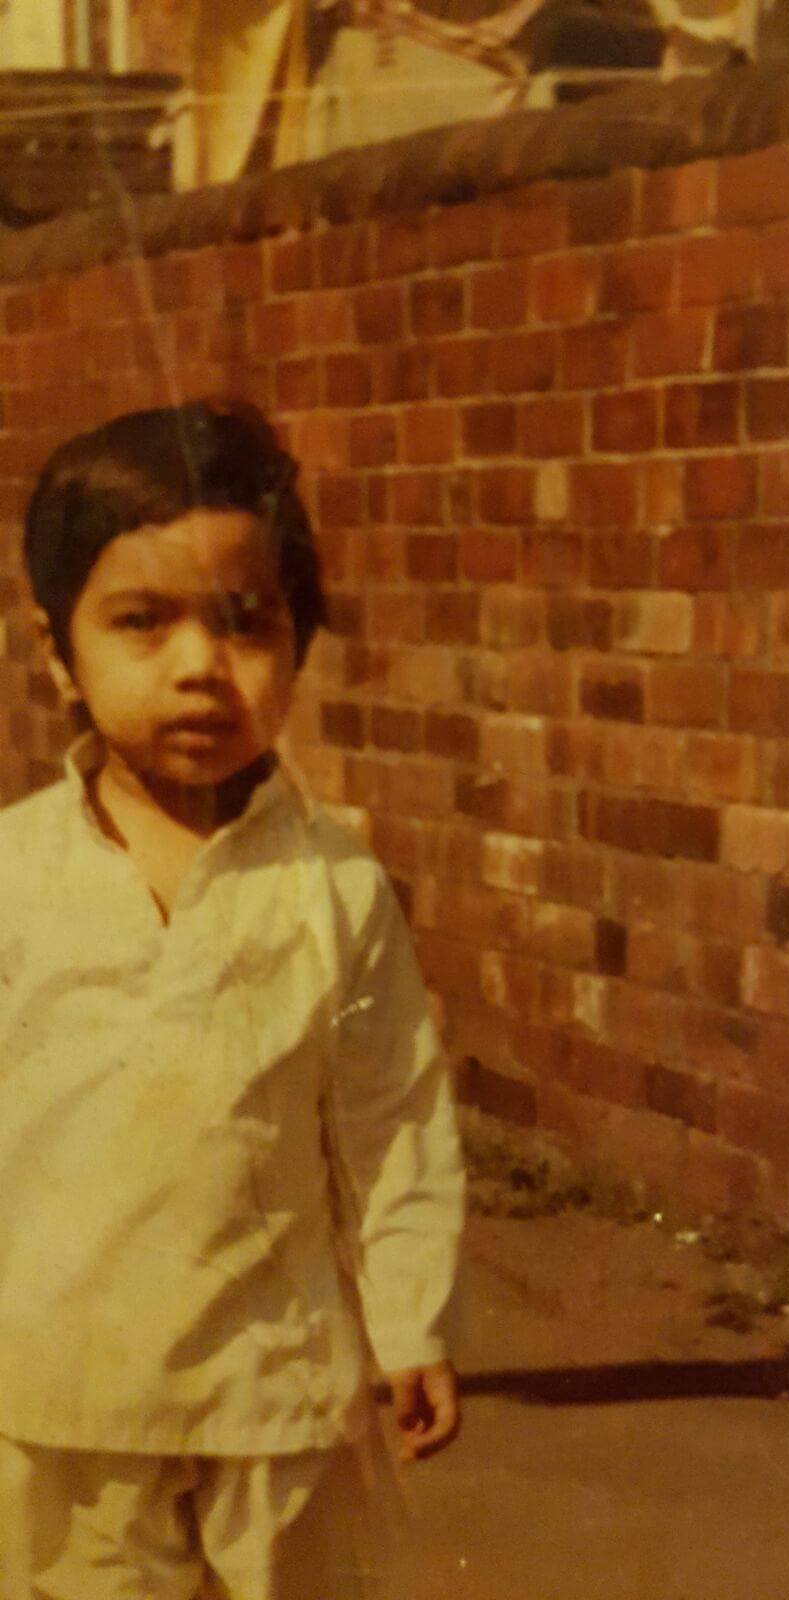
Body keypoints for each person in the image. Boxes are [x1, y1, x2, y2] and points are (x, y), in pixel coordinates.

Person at [0, 400, 465, 1599]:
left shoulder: (334, 886)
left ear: (300, 647)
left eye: (245, 623)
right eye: (142, 623)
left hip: (282, 1404)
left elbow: (394, 1118)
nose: (201, 666)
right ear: (60, 652)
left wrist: (410, 1321)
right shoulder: (15, 878)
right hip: (64, 1401)